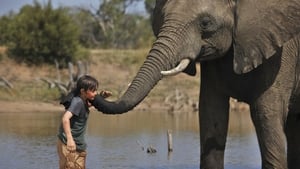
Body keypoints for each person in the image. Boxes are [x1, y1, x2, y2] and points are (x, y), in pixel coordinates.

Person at [57, 75, 111, 169]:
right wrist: (70, 140)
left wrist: (102, 97)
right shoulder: (77, 102)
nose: (95, 93)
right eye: (93, 91)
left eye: (96, 90)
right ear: (83, 91)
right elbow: (65, 119)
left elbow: (86, 106)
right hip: (68, 143)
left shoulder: (83, 101)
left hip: (78, 144)